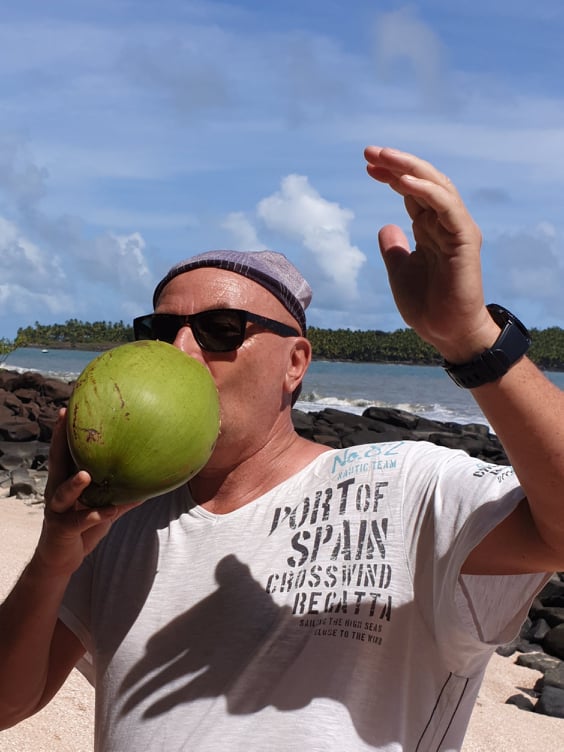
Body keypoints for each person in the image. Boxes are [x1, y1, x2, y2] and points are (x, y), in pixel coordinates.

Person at [1, 146, 563, 751]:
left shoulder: (405, 488)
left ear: (295, 363)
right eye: (160, 333)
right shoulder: (121, 522)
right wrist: (52, 560)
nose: (182, 352)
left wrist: (472, 338)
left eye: (221, 330)